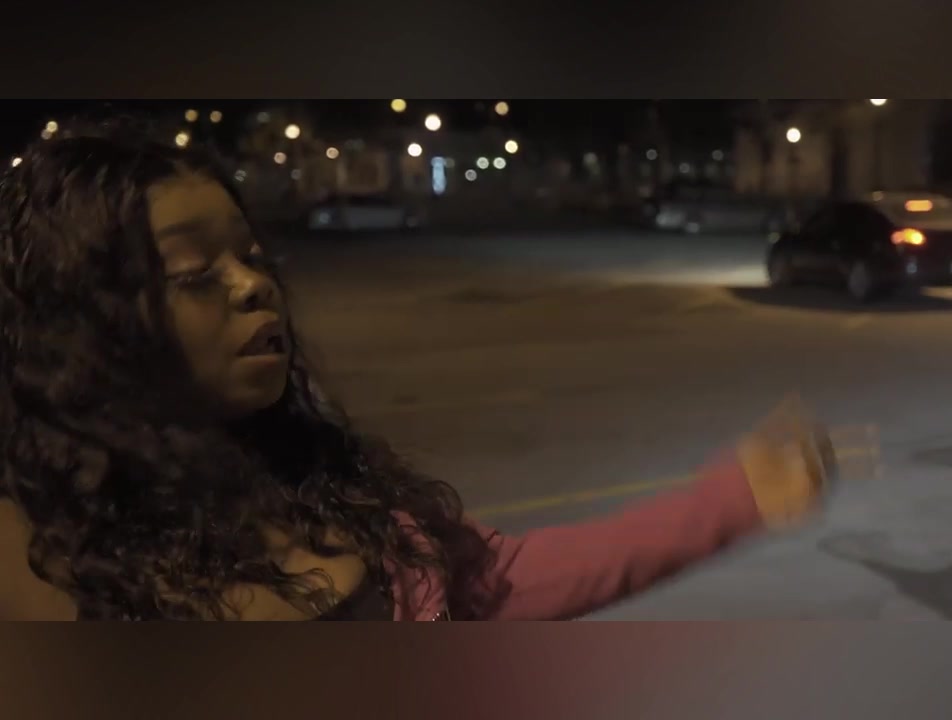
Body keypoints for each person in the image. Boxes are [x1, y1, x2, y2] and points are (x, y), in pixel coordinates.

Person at [0, 119, 835, 621]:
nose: (253, 286)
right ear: (84, 323)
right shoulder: (40, 559)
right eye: (194, 274)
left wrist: (725, 505)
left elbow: (498, 588)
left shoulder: (330, 486)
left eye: (252, 257)